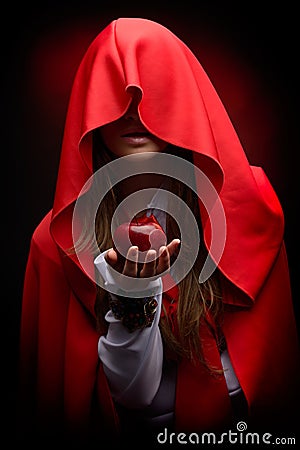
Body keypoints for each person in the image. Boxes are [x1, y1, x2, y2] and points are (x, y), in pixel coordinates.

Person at [18, 17, 299, 448]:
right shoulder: (53, 242)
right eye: (117, 93)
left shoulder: (248, 205)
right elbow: (128, 397)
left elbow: (272, 376)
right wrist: (133, 297)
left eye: (150, 91)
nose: (134, 109)